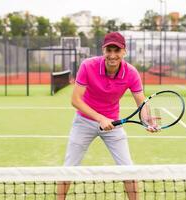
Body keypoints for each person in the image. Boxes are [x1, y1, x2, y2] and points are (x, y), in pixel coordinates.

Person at [57, 32, 158, 200]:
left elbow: (141, 102)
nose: (112, 55)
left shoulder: (131, 73)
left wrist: (147, 119)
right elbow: (75, 100)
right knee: (69, 168)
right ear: (103, 50)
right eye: (109, 50)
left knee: (128, 170)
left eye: (117, 51)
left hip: (113, 125)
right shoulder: (88, 66)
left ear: (124, 52)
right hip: (84, 122)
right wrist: (101, 118)